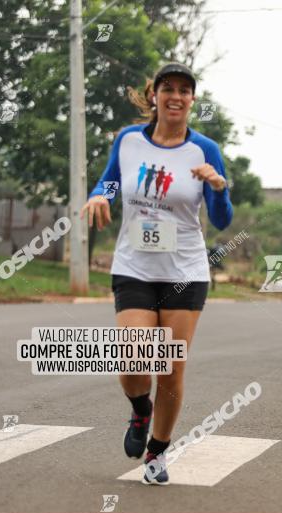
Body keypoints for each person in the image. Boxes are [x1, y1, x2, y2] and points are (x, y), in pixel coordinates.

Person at [80, 63, 233, 485]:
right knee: (133, 353)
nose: (176, 96)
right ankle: (140, 408)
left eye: (185, 90)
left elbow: (221, 219)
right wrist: (97, 196)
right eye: (168, 88)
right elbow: (110, 183)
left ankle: (158, 451)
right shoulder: (129, 141)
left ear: (192, 101)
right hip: (134, 265)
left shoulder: (204, 150)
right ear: (155, 96)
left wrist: (218, 186)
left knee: (170, 366)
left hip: (185, 269)